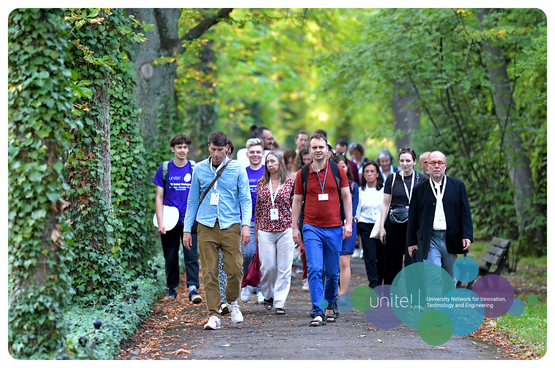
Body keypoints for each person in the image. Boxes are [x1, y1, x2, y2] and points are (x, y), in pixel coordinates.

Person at [183, 131, 252, 330]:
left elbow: (245, 200)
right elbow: (192, 201)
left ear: (227, 149)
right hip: (206, 225)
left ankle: (232, 302)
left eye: (220, 150)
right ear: (209, 147)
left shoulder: (237, 169)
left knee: (236, 268)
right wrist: (187, 229)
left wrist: (246, 225)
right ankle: (214, 315)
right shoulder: (200, 169)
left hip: (230, 224)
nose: (216, 154)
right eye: (213, 149)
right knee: (209, 271)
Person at [292, 133, 352, 326]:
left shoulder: (337, 171)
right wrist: (295, 227)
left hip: (334, 228)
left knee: (333, 272)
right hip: (311, 228)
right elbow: (297, 201)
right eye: (314, 147)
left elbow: (346, 197)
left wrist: (348, 223)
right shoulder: (303, 173)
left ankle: (330, 303)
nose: (318, 150)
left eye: (321, 147)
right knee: (315, 268)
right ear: (310, 150)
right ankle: (318, 310)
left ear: (327, 150)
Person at [407, 151, 473, 284]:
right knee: (433, 277)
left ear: (445, 166)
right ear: (427, 166)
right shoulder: (419, 189)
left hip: (451, 237)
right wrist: (411, 242)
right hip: (430, 239)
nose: (436, 166)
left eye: (440, 163)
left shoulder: (457, 186)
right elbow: (413, 218)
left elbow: (465, 212)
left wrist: (467, 235)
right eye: (433, 163)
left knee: (450, 279)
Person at [153, 133, 202, 304]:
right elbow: (159, 197)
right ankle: (171, 288)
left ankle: (193, 288)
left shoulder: (194, 168)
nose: (183, 150)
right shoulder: (165, 169)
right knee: (170, 255)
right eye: (179, 147)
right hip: (170, 220)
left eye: (185, 147)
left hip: (190, 220)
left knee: (191, 254)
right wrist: (160, 221)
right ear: (173, 149)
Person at [254, 150, 296, 314]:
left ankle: (279, 302)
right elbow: (258, 208)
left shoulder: (290, 183)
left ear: (281, 163)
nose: (270, 165)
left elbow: (296, 206)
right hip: (265, 229)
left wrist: (295, 229)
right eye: (268, 162)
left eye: (273, 161)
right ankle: (268, 294)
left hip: (285, 229)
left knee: (284, 268)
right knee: (268, 267)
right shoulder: (261, 182)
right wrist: (256, 232)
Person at [379, 148, 427, 285]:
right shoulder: (392, 178)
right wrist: (382, 227)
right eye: (402, 161)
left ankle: (415, 295)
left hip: (413, 225)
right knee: (392, 261)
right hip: (394, 224)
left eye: (408, 160)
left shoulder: (421, 179)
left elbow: (424, 205)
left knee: (413, 261)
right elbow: (385, 203)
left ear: (414, 162)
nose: (405, 164)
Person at [240, 138, 265, 304]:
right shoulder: (242, 172)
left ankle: (261, 288)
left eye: (258, 152)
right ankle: (246, 283)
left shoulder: (268, 172)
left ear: (263, 154)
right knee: (248, 253)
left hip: (266, 221)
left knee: (264, 256)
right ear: (247, 154)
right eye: (252, 152)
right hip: (248, 220)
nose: (255, 155)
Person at [331, 154, 359, 296]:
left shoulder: (353, 186)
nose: (341, 169)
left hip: (348, 224)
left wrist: (347, 223)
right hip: (331, 224)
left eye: (343, 166)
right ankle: (333, 291)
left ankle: (342, 293)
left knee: (344, 260)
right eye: (338, 166)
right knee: (332, 260)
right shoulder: (328, 185)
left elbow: (353, 208)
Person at [356, 161, 385, 288]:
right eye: (366, 171)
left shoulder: (384, 190)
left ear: (377, 174)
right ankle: (373, 284)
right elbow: (357, 212)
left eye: (372, 171)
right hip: (365, 225)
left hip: (381, 226)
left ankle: (379, 281)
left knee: (382, 257)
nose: (369, 174)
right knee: (370, 256)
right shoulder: (360, 191)